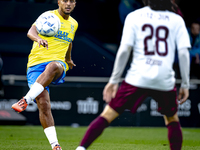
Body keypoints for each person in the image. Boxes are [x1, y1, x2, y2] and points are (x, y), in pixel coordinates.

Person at [76, 0, 191, 150]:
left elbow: (124, 50)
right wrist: (186, 84)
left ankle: (81, 148)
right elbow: (183, 53)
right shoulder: (177, 19)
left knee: (108, 114)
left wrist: (113, 80)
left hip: (137, 77)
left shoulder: (134, 16)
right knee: (172, 118)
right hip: (164, 79)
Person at [11, 0, 77, 150]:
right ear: (59, 2)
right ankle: (55, 146)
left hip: (57, 64)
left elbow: (69, 41)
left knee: (53, 66)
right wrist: (38, 38)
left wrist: (67, 59)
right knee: (44, 105)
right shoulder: (48, 16)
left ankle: (25, 99)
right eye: (65, 0)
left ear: (75, 3)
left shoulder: (74, 23)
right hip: (35, 65)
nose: (68, 4)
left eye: (72, 1)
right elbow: (31, 32)